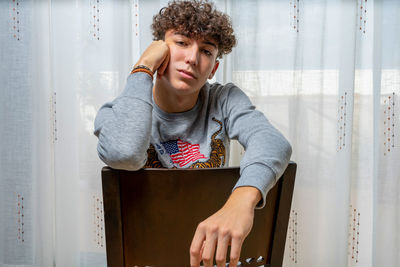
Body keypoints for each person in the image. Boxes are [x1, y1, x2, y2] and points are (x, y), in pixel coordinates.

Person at [94, 1, 292, 266]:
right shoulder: (117, 113)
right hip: (148, 256)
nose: (192, 58)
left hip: (213, 255)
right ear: (159, 51)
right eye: (182, 42)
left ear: (213, 69)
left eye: (206, 50)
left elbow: (273, 142)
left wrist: (241, 200)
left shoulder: (224, 99)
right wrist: (143, 67)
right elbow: (124, 153)